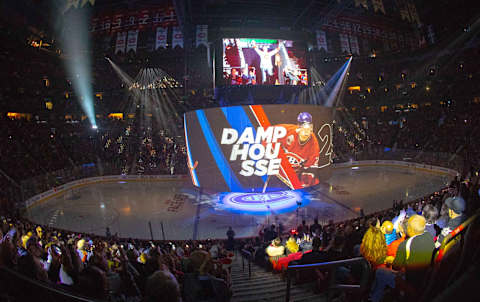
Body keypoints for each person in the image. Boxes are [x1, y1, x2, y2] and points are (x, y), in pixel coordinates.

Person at [370, 215, 435, 302]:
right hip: (425, 278)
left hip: (410, 284)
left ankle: (374, 298)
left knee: (380, 272)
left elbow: (396, 267)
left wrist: (389, 260)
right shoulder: (429, 236)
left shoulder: (405, 245)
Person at [275, 112, 322, 187]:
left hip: (293, 177)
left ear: (311, 127)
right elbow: (266, 133)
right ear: (298, 126)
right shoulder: (286, 130)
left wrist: (302, 184)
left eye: (308, 128)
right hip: (277, 173)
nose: (305, 132)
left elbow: (310, 168)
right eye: (302, 126)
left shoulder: (313, 145)